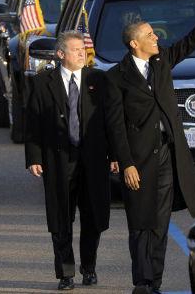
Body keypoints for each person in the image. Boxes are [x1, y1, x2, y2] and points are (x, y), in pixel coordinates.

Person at [108, 0, 195, 293]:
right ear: (134, 44)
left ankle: (153, 283)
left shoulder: (161, 63)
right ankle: (141, 280)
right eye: (149, 35)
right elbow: (116, 125)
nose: (155, 37)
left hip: (167, 157)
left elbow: (190, 42)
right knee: (141, 224)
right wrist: (125, 162)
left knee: (159, 224)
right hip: (139, 161)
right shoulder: (116, 78)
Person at [25, 31, 124, 290]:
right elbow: (33, 121)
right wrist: (34, 156)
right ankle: (65, 273)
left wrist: (115, 155)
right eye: (76, 49)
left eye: (83, 49)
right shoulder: (42, 82)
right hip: (58, 159)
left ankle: (88, 267)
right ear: (60, 54)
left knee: (93, 217)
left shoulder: (98, 80)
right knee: (61, 219)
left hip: (92, 160)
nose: (82, 54)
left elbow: (112, 122)